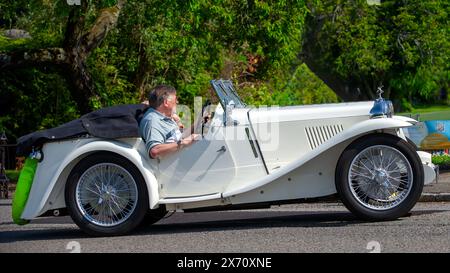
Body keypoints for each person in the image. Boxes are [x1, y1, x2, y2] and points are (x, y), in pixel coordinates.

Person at [139, 85, 200, 159]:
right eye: (175, 99)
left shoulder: (164, 116)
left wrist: (199, 121)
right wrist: (183, 143)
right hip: (172, 164)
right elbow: (154, 150)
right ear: (166, 102)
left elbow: (181, 136)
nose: (177, 102)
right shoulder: (153, 121)